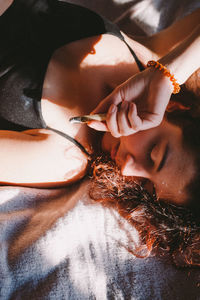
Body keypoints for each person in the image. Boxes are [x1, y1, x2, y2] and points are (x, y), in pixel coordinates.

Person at [0, 0, 200, 264]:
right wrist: (167, 75)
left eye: (145, 186)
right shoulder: (151, 57)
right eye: (153, 152)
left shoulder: (63, 158)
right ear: (174, 107)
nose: (128, 170)